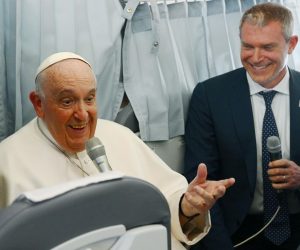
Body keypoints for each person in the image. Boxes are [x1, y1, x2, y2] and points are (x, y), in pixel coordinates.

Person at [0, 52, 235, 250]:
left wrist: (187, 207)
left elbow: (167, 202)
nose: (82, 114)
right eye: (67, 101)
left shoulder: (118, 135)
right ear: (38, 104)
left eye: (89, 99)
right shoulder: (7, 161)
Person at [184, 2, 300, 250]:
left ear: (291, 44)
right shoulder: (210, 96)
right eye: (248, 46)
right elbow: (201, 184)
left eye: (268, 47)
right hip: (237, 233)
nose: (256, 58)